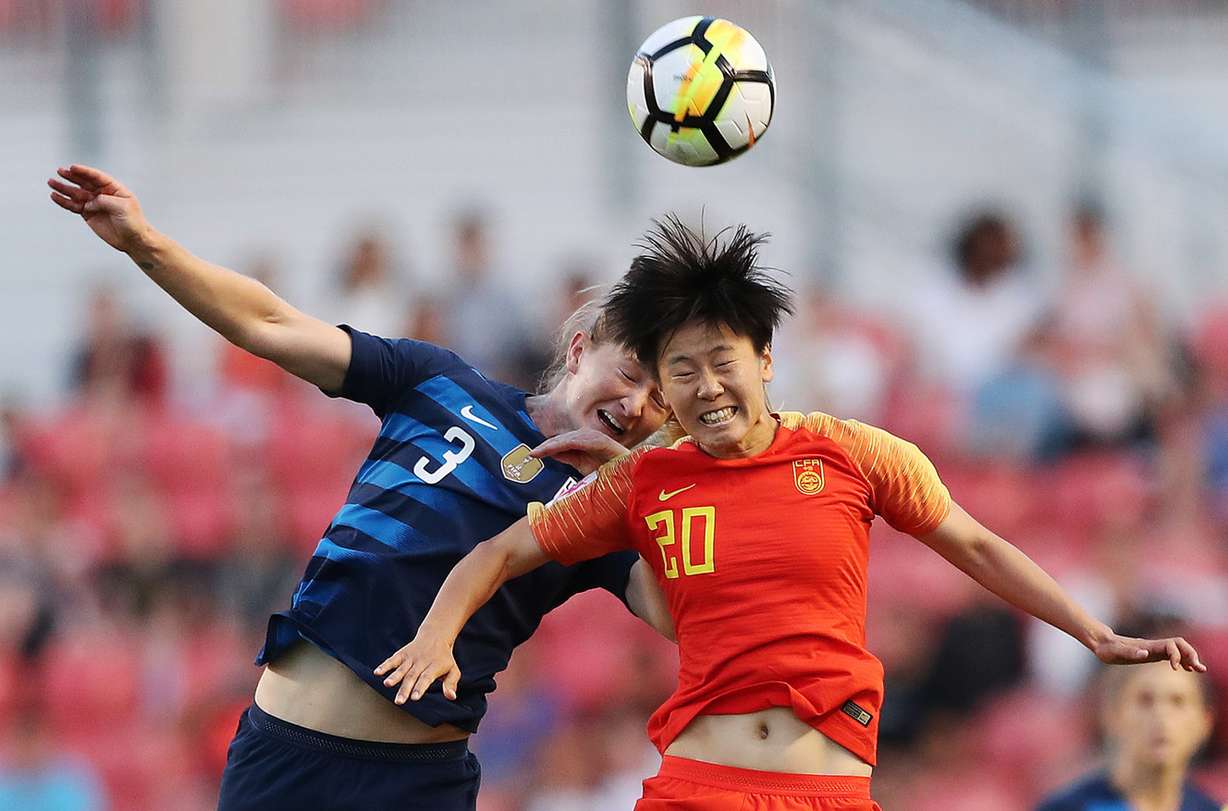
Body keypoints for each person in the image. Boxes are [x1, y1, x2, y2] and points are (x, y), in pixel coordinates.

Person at [378, 217, 1207, 811]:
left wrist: (1094, 632)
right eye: (682, 371)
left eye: (723, 362)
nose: (706, 388)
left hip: (828, 788)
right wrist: (434, 633)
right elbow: (498, 551)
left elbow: (979, 546)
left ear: (767, 358)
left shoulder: (856, 453)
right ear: (663, 387)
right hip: (698, 787)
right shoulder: (646, 481)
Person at [47, 165, 675, 811]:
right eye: (629, 372)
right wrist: (146, 243)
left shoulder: (607, 511)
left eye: (659, 399)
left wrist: (652, 493)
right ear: (578, 350)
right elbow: (270, 322)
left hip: (416, 781)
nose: (634, 403)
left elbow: (683, 619)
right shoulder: (439, 381)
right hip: (286, 758)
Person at [1036, 654, 1221, 811]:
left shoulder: (1211, 808)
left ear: (1205, 722)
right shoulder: (1071, 807)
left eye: (1178, 702)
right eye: (1145, 701)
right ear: (1112, 714)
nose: (1161, 718)